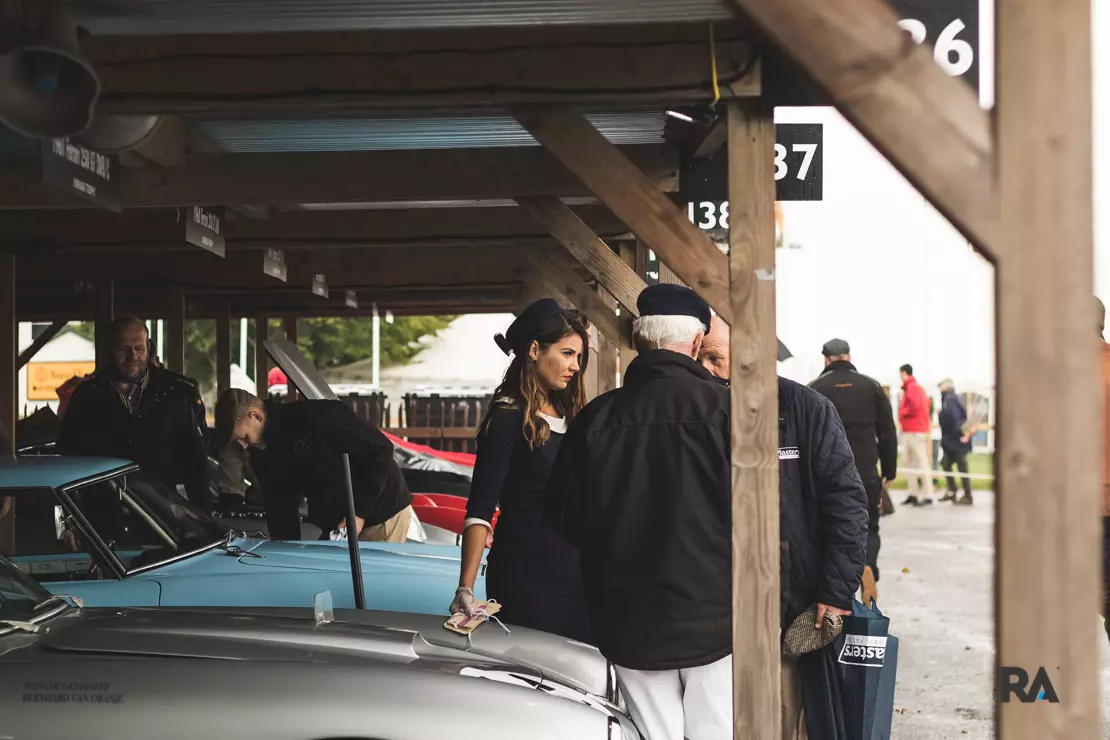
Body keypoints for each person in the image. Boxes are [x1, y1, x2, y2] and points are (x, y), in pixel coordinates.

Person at [546, 285, 869, 740]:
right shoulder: (733, 413)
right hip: (722, 620)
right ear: (696, 343)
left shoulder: (594, 419)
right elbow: (766, 522)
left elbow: (563, 519)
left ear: (639, 341)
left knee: (653, 734)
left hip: (630, 619)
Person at [448, 300, 593, 643]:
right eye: (568, 353)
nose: (575, 366)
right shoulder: (506, 419)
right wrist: (465, 587)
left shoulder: (570, 412)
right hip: (528, 575)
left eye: (579, 357)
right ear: (533, 350)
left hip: (577, 574)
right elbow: (481, 509)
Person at [215, 388, 413, 542]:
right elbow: (281, 507)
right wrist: (286, 553)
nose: (243, 445)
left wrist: (358, 512)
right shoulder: (262, 454)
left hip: (380, 514)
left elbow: (381, 449)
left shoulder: (318, 417)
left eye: (243, 437)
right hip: (337, 527)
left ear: (256, 416)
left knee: (370, 592)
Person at [58, 315, 209, 507]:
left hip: (163, 514)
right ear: (109, 351)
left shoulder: (177, 393)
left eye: (139, 348)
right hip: (102, 513)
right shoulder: (86, 396)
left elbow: (196, 460)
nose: (133, 357)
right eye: (123, 349)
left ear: (149, 348)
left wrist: (203, 518)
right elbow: (68, 456)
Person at [809, 338, 897, 607]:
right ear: (848, 356)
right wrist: (888, 471)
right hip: (866, 469)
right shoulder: (871, 386)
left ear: (826, 359)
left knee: (830, 528)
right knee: (868, 525)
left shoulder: (814, 389)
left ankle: (836, 589)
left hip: (828, 473)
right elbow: (887, 433)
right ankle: (868, 565)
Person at [898, 363, 935, 506]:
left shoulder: (912, 388)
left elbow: (916, 406)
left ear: (904, 373)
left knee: (920, 462)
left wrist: (903, 413)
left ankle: (928, 494)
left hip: (914, 431)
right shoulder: (914, 388)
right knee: (910, 463)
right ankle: (913, 492)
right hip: (913, 430)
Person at [937, 379, 974, 505]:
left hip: (956, 441)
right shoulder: (949, 399)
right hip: (951, 441)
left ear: (947, 386)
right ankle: (952, 491)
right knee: (945, 463)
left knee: (962, 467)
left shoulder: (950, 399)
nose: (939, 389)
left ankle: (967, 495)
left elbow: (955, 417)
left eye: (941, 386)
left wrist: (961, 434)